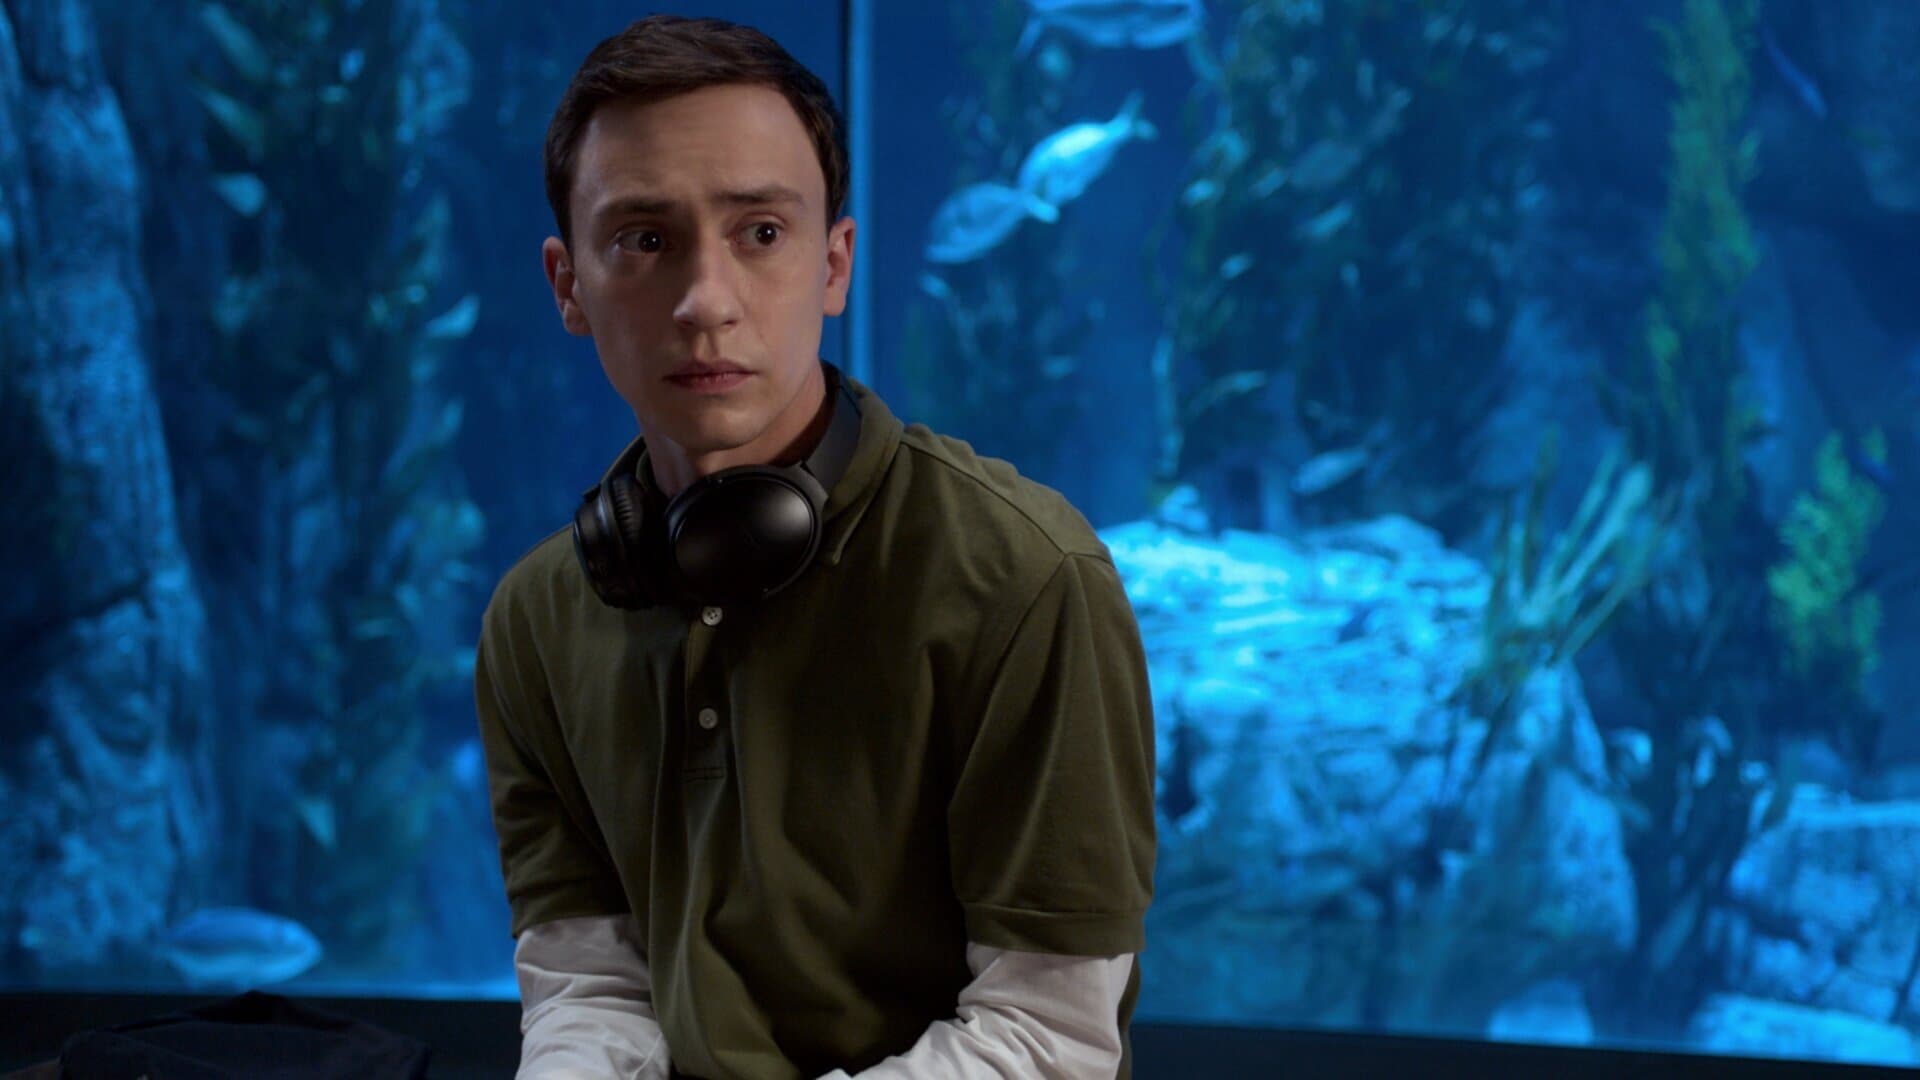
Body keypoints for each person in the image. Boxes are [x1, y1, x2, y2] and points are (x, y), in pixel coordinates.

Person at [473, 14, 1158, 1080]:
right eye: (644, 240)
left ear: (835, 265)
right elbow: (589, 990)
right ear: (569, 284)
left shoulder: (1028, 581)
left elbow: (1048, 1036)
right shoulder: (533, 621)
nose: (706, 302)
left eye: (760, 232)